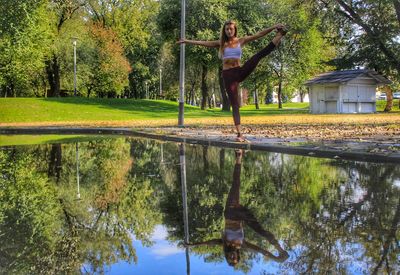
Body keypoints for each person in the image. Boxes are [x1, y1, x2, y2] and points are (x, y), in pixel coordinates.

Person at [178, 20, 287, 142]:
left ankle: (279, 36)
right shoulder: (221, 43)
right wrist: (187, 41)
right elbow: (203, 43)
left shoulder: (241, 40)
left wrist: (273, 27)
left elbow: (259, 34)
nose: (229, 31)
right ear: (224, 31)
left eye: (231, 29)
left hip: (240, 71)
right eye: (227, 29)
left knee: (257, 56)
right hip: (228, 76)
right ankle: (240, 134)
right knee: (234, 104)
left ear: (235, 30)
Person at [185, 149, 289, 266]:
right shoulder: (242, 245)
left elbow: (210, 242)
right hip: (242, 216)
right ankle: (280, 250)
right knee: (260, 230)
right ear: (238, 256)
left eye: (229, 258)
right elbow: (260, 250)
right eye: (234, 258)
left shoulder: (225, 243)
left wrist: (193, 245)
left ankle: (239, 156)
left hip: (230, 211)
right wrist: (274, 258)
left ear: (227, 256)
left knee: (236, 184)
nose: (232, 256)